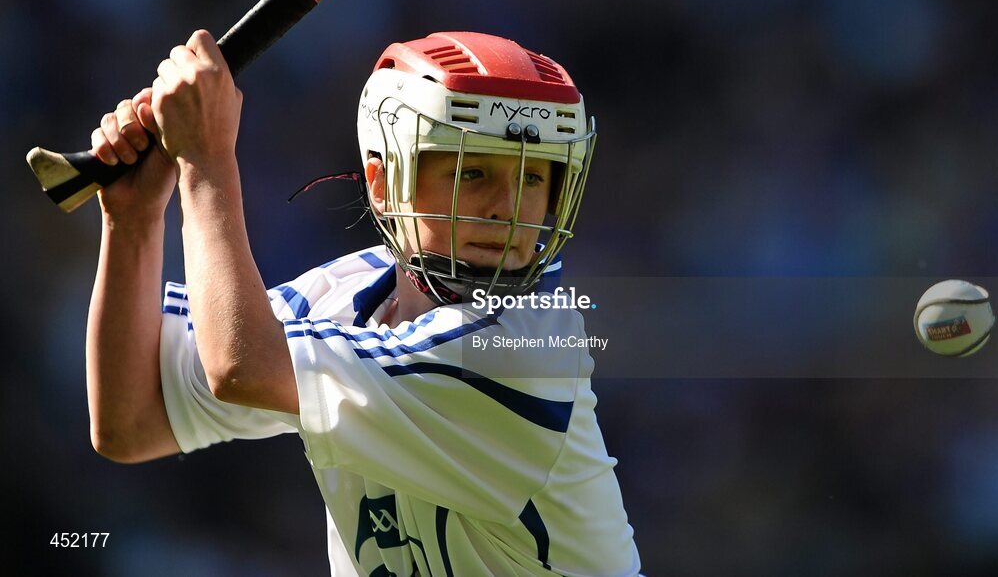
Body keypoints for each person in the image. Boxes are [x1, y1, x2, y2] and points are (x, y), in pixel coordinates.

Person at [86, 29, 641, 576]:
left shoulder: (520, 349)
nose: (506, 207)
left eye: (532, 177)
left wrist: (204, 161)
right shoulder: (351, 294)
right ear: (383, 181)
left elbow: (240, 366)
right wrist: (133, 219)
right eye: (472, 172)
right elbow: (132, 424)